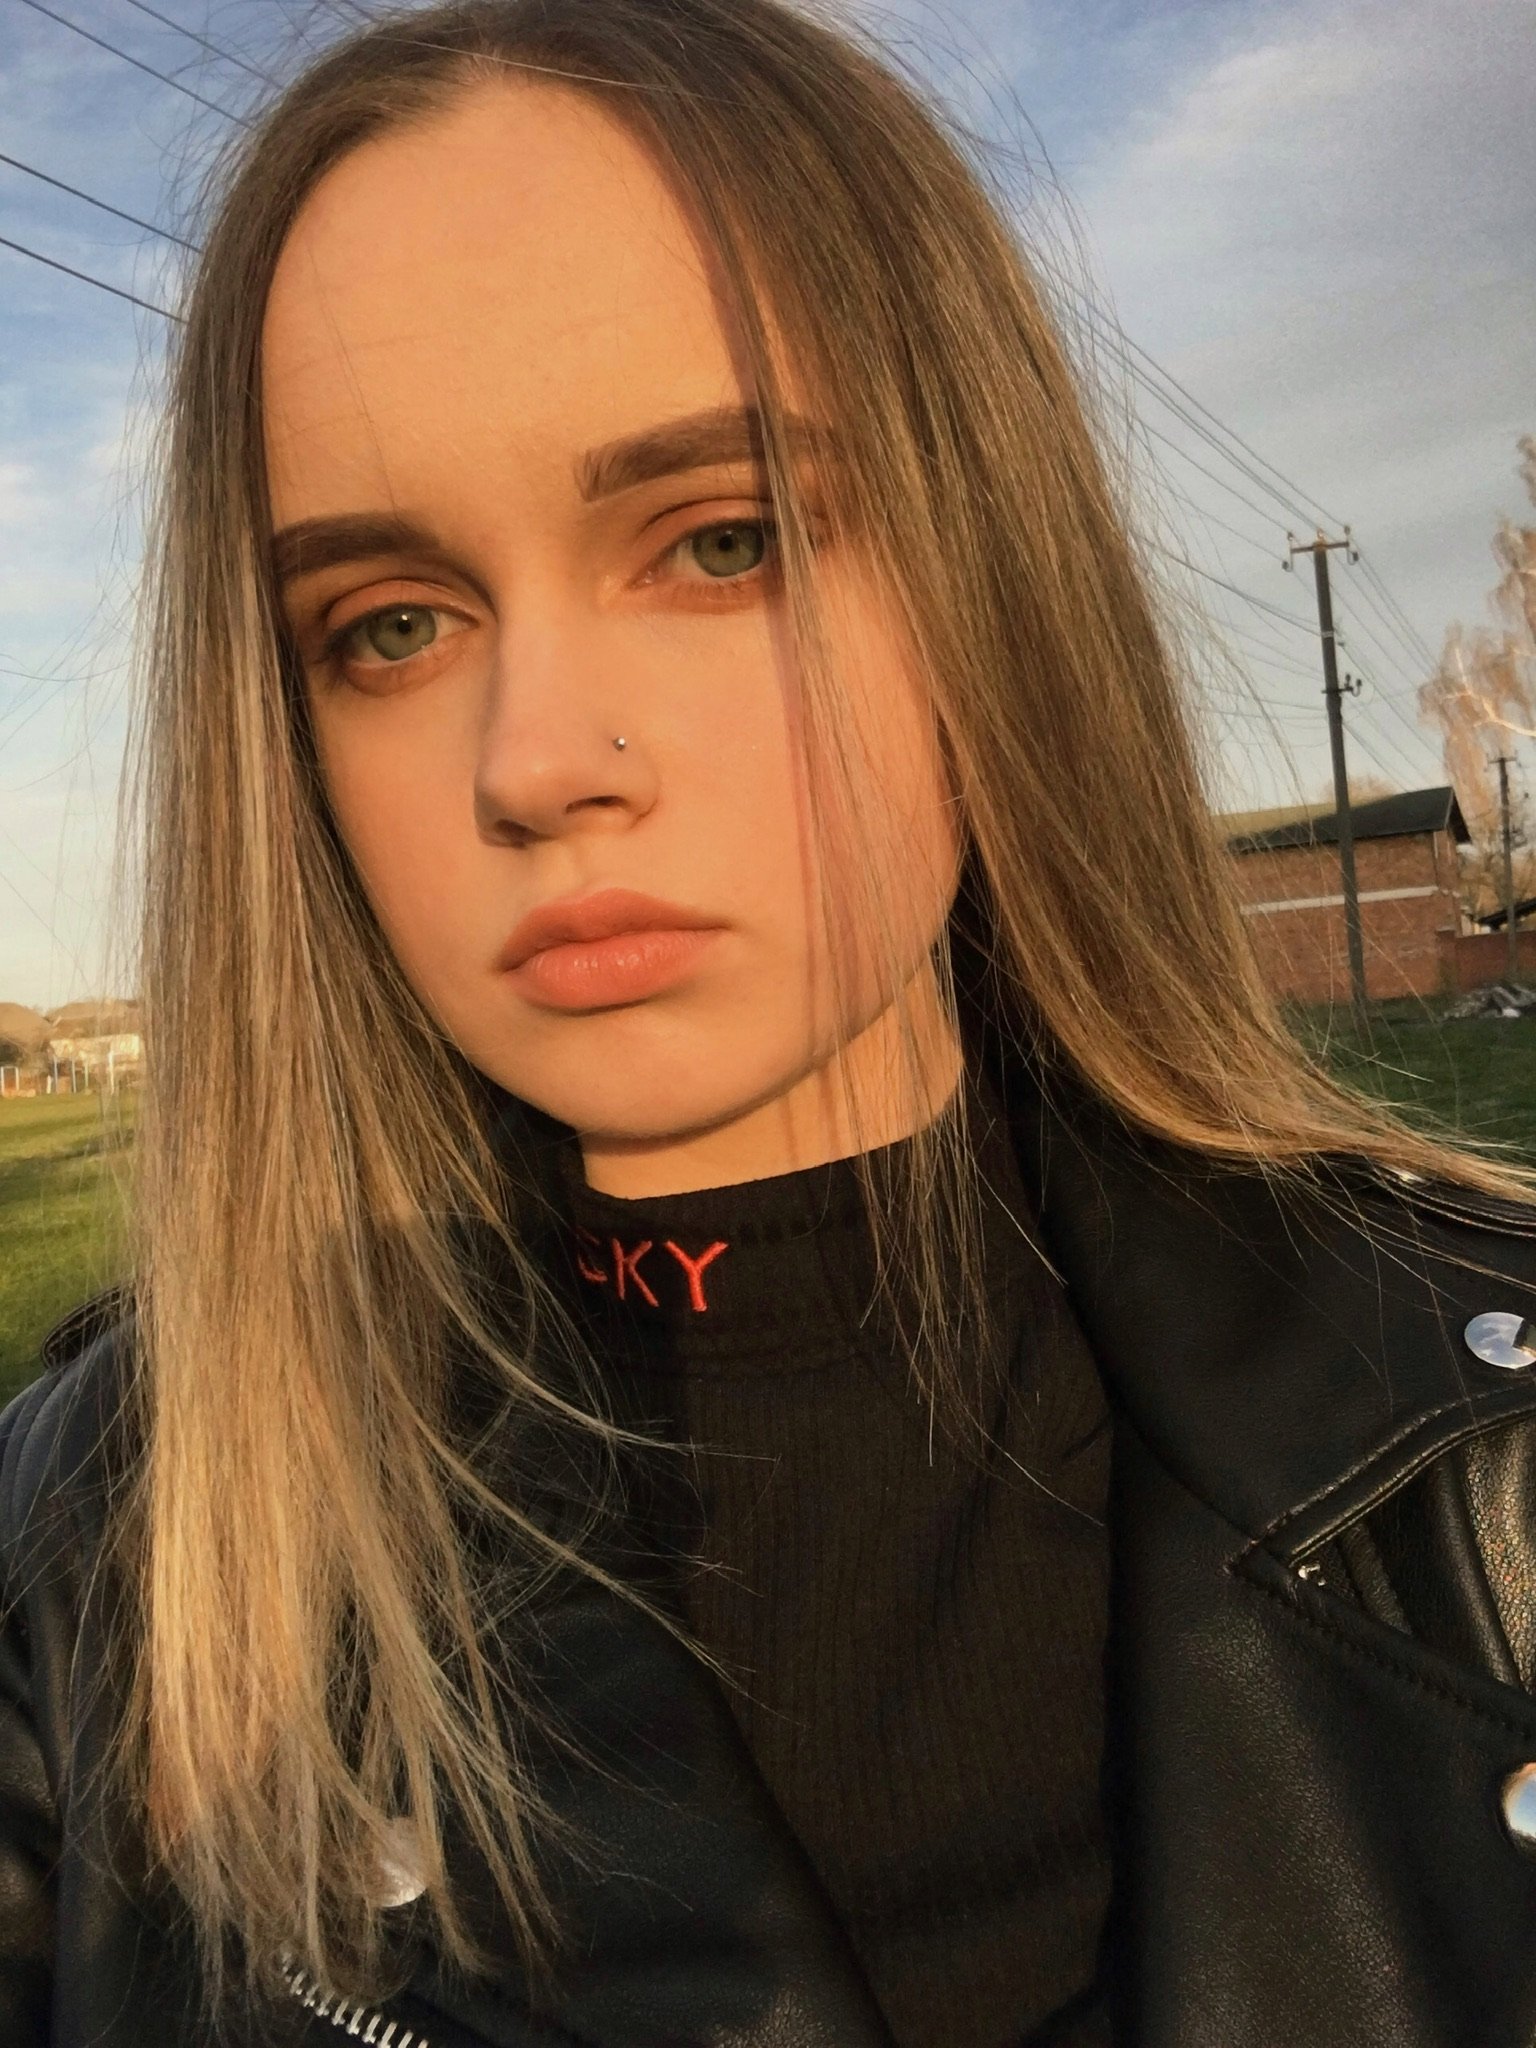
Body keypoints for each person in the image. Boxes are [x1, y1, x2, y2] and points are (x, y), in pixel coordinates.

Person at [5, 1, 1536, 2042]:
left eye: (721, 540)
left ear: (994, 575)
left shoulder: (1493, 1460)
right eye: (391, 624)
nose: (537, 761)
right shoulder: (85, 1574)